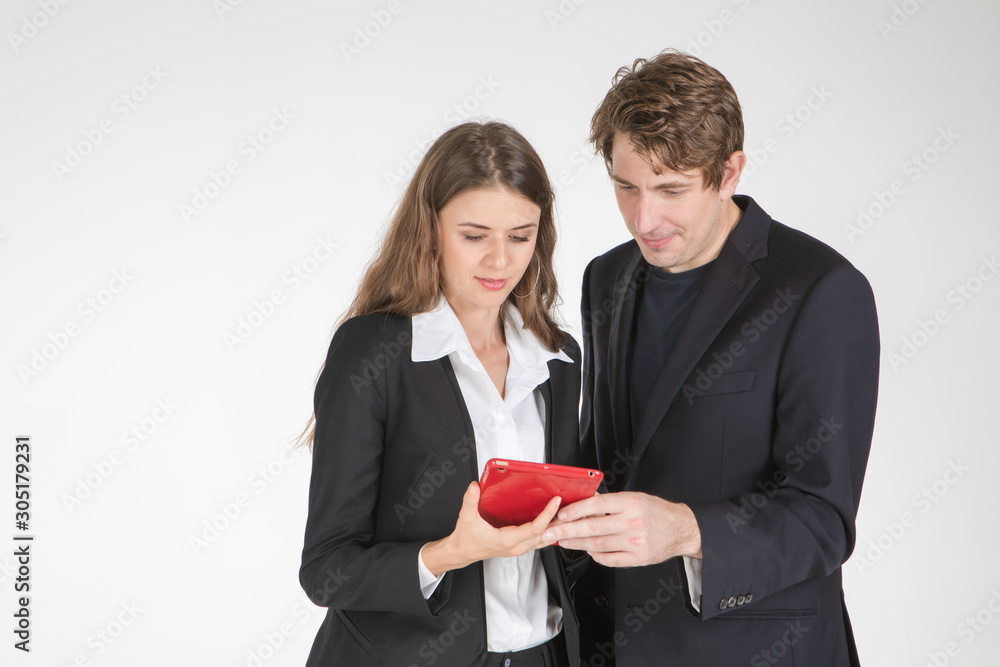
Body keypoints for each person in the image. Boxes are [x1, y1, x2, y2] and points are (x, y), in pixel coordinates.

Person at [542, 50, 880, 666]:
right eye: (626, 186)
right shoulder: (606, 277)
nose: (644, 219)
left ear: (729, 174)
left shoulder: (823, 290)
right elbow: (610, 457)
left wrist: (686, 529)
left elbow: (824, 518)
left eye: (671, 190)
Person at [299, 121, 583, 667]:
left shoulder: (558, 358)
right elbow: (326, 571)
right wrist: (451, 553)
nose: (500, 260)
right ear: (430, 230)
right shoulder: (373, 352)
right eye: (474, 236)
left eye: (520, 236)